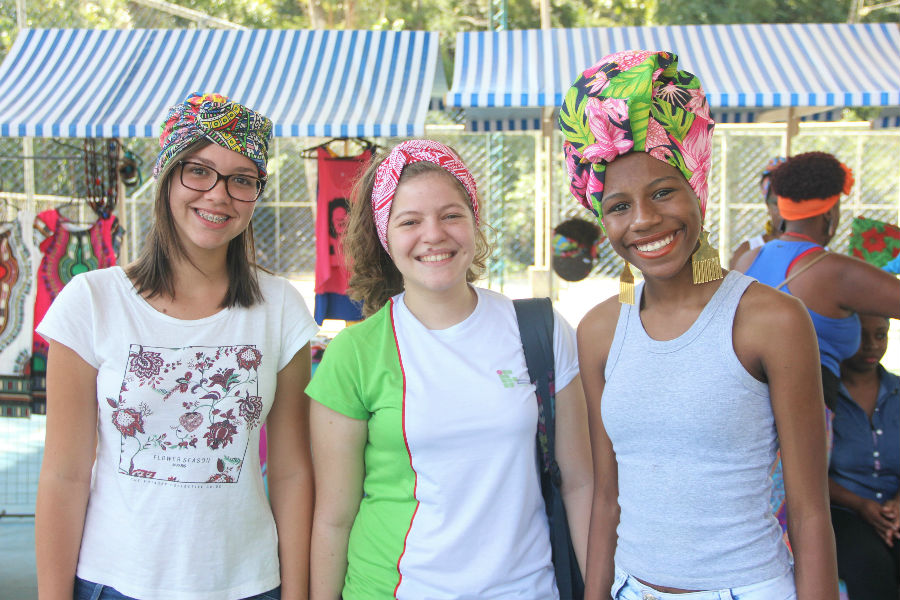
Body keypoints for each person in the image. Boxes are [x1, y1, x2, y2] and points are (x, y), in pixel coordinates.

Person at [560, 50, 838, 600]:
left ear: (698, 189)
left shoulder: (771, 320)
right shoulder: (598, 331)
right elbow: (607, 500)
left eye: (663, 192)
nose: (644, 220)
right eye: (618, 206)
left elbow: (810, 512)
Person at [35, 92, 319, 600]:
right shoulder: (92, 302)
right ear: (167, 176)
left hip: (249, 584)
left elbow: (293, 472)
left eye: (242, 179)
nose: (218, 194)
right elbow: (64, 475)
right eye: (199, 171)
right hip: (114, 584)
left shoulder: (280, 308)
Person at [306, 139, 593, 599]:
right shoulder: (354, 354)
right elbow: (334, 518)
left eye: (451, 215)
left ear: (474, 222)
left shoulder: (540, 330)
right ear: (384, 236)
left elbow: (580, 484)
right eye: (409, 221)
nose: (434, 235)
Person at [734, 151, 900, 409]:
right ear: (830, 212)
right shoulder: (834, 271)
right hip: (807, 416)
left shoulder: (748, 259)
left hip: (746, 411)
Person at [830, 314, 900, 600]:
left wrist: (897, 505)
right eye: (861, 335)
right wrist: (861, 505)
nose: (872, 345)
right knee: (870, 567)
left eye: (880, 335)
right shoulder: (823, 395)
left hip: (894, 509)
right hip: (843, 511)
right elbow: (807, 472)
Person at [728, 156, 785, 268]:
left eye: (791, 204)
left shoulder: (816, 251)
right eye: (777, 204)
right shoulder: (748, 250)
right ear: (767, 206)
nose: (784, 210)